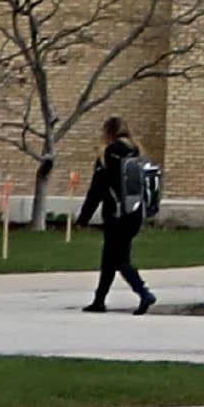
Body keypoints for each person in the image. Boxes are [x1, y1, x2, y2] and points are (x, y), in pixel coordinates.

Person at [71, 120, 160, 313]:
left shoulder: (108, 155)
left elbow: (96, 190)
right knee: (110, 257)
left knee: (118, 259)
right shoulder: (136, 152)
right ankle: (99, 300)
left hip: (116, 215)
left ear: (108, 132)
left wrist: (83, 219)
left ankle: (144, 293)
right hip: (135, 212)